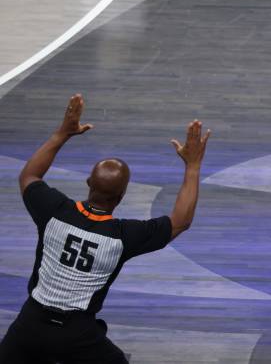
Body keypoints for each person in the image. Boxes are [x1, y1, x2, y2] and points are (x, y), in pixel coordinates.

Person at [0, 94, 211, 363]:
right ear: (122, 196)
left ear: (89, 182)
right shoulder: (123, 236)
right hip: (78, 334)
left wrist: (62, 134)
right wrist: (193, 166)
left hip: (31, 323)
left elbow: (29, 176)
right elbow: (181, 220)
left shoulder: (54, 211)